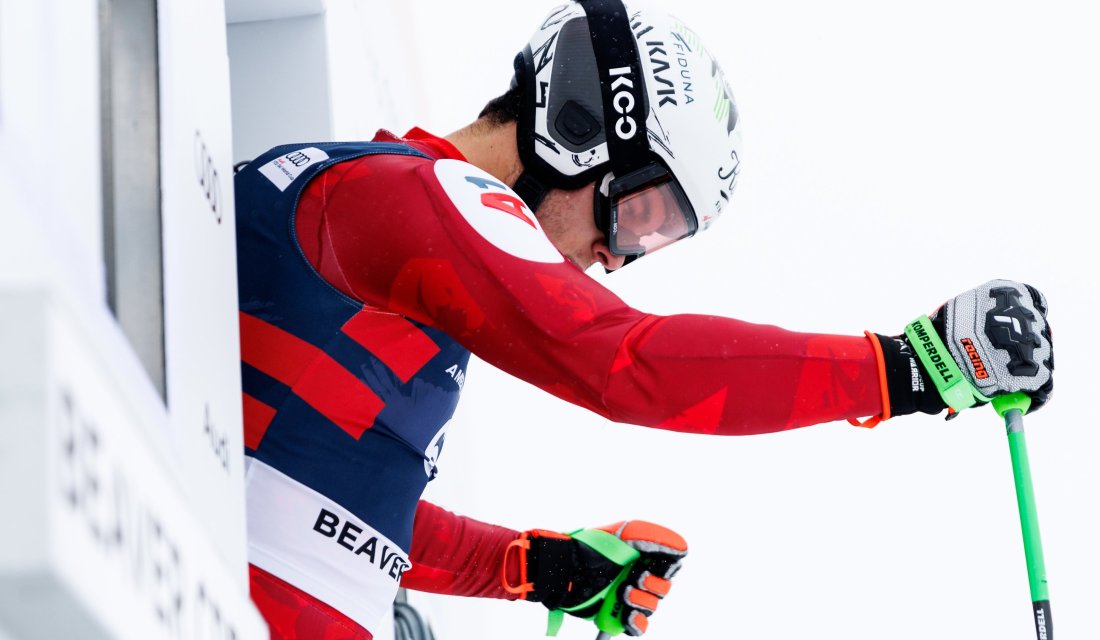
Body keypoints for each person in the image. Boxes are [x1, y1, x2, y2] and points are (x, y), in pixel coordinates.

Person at [233, 1, 1055, 638]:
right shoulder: (417, 195)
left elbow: (329, 513)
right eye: (643, 212)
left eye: (660, 239)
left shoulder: (404, 237)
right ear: (581, 126)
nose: (619, 257)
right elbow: (625, 362)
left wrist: (536, 568)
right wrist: (910, 367)